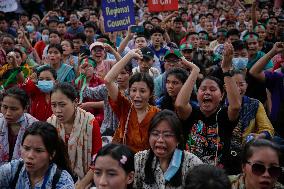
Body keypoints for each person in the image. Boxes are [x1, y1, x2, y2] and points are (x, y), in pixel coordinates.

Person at [175, 43, 241, 167]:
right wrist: (194, 72)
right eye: (203, 89)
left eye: (212, 89)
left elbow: (236, 106)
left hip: (218, 175)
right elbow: (179, 105)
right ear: (197, 92)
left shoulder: (224, 115)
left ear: (221, 95)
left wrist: (226, 69)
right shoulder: (192, 113)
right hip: (190, 172)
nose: (207, 92)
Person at [104, 49, 160, 153]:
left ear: (151, 94)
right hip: (125, 162)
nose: (137, 95)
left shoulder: (158, 114)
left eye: (142, 91)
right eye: (133, 90)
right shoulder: (125, 107)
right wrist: (129, 55)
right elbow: (108, 80)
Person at [133, 110, 202, 188]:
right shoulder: (140, 159)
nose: (160, 140)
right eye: (155, 134)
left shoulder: (193, 164)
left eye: (167, 135)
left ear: (178, 139)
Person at [47, 82, 102, 179]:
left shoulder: (90, 123)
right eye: (54, 105)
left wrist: (82, 184)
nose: (57, 110)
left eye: (62, 105)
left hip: (85, 178)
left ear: (75, 102)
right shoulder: (50, 124)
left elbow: (97, 160)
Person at [0, 121, 75, 188]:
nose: (30, 155)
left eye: (38, 151)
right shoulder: (14, 170)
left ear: (52, 154)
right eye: (26, 148)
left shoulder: (61, 181)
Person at [0, 87, 38, 165]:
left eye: (13, 109)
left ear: (25, 108)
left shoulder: (34, 126)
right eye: (5, 107)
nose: (8, 113)